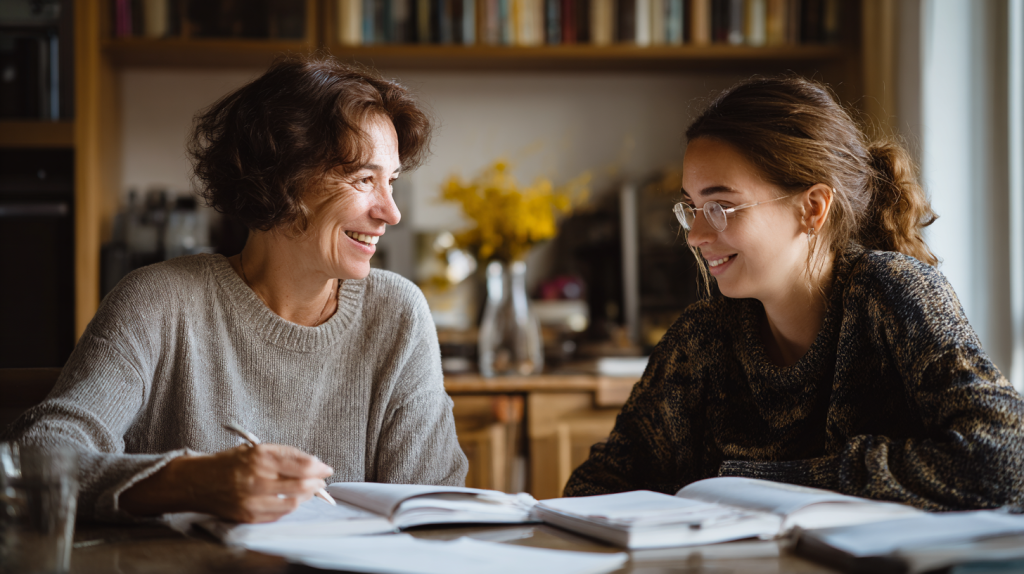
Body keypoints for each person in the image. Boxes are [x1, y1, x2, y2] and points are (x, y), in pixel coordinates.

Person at [5, 55, 467, 523]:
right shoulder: (157, 303)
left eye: (391, 182)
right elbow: (36, 461)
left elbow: (433, 510)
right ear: (282, 176)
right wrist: (191, 482)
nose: (391, 213)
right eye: (365, 180)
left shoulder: (398, 313)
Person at [564, 76, 1024, 511]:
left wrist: (757, 486)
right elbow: (592, 489)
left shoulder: (895, 293)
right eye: (692, 207)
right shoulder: (700, 340)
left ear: (812, 208)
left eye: (721, 207)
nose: (695, 235)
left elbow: (1007, 459)